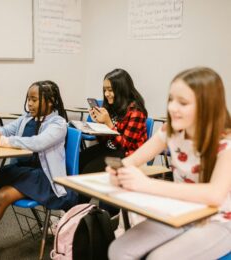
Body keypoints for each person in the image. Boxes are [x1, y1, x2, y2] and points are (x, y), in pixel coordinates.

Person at [107, 67, 231, 260]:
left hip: (221, 221)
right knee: (118, 250)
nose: (173, 108)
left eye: (183, 102)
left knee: (159, 258)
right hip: (182, 211)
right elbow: (132, 160)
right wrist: (119, 171)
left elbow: (214, 195)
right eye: (171, 100)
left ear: (208, 106)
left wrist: (147, 184)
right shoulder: (170, 131)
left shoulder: (226, 145)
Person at [0, 80, 75, 260]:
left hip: (43, 177)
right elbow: (7, 130)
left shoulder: (58, 124)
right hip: (21, 170)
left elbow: (38, 143)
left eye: (34, 99)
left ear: (50, 101)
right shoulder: (26, 118)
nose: (30, 104)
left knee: (1, 197)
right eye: (28, 99)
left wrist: (2, 141)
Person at [79, 68, 148, 174]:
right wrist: (99, 123)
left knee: (88, 170)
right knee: (80, 159)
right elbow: (104, 141)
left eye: (110, 90)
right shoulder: (113, 105)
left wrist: (108, 123)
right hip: (110, 149)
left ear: (122, 90)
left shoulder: (136, 111)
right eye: (105, 90)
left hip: (128, 154)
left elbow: (125, 146)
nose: (106, 94)